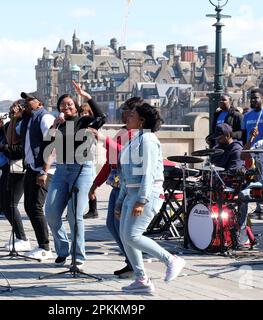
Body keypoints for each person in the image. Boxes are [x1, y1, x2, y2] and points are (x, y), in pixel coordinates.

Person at [114, 103, 186, 293]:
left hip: (147, 194)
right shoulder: (134, 140)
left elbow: (148, 173)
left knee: (132, 235)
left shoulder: (148, 140)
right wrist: (120, 202)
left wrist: (142, 199)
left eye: (133, 114)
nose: (128, 116)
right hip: (131, 194)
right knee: (126, 237)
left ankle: (171, 259)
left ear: (142, 120)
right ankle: (141, 280)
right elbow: (125, 176)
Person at [44, 80, 105, 269]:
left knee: (74, 216)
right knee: (51, 213)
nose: (67, 106)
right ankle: (63, 250)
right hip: (62, 170)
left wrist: (87, 97)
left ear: (76, 106)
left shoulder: (85, 121)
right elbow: (47, 145)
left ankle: (78, 257)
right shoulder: (59, 125)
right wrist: (54, 124)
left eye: (70, 103)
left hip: (82, 169)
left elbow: (102, 117)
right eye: (63, 105)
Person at [87, 97, 142, 278]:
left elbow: (123, 153)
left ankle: (135, 265)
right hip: (117, 186)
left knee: (125, 228)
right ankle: (130, 262)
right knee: (112, 225)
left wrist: (104, 139)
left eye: (126, 110)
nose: (123, 113)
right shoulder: (121, 133)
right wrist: (95, 184)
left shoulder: (140, 134)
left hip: (129, 188)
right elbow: (110, 163)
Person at [15, 92, 55, 261]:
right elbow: (14, 136)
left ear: (39, 103)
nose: (26, 102)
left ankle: (45, 247)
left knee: (36, 206)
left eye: (30, 99)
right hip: (32, 167)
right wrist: (17, 117)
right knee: (29, 206)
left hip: (43, 168)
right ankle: (40, 245)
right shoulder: (28, 119)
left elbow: (53, 143)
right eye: (25, 99)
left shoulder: (44, 118)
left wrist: (44, 171)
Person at [0, 102, 30, 252]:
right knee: (4, 203)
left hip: (20, 167)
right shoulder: (9, 125)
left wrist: (2, 148)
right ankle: (18, 235)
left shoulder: (24, 124)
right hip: (7, 167)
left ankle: (22, 238)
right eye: (11, 108)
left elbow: (20, 149)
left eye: (16, 108)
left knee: (11, 203)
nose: (13, 110)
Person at [79, 103, 99, 219]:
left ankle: (93, 210)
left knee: (90, 186)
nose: (83, 115)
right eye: (81, 113)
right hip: (80, 159)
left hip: (89, 159)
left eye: (85, 113)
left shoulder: (92, 126)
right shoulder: (79, 125)